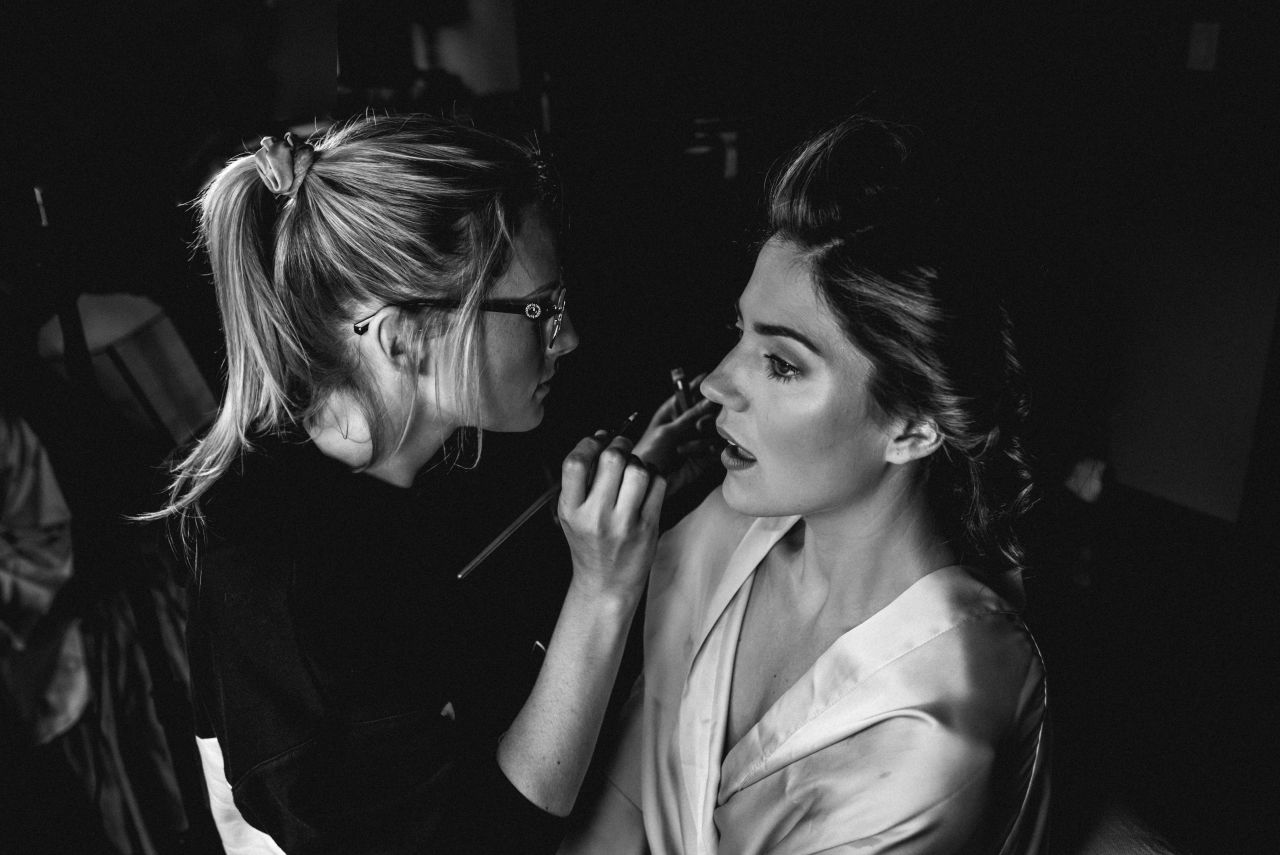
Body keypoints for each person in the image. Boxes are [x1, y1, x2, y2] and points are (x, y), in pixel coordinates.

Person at [142, 115, 696, 854]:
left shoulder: (457, 452)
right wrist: (604, 590)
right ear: (405, 337)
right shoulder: (283, 575)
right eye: (541, 310)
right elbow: (490, 838)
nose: (566, 338)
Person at [562, 117, 1050, 854]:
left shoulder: (932, 720)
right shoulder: (721, 529)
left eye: (782, 364)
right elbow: (625, 799)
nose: (715, 379)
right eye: (740, 333)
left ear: (913, 428)